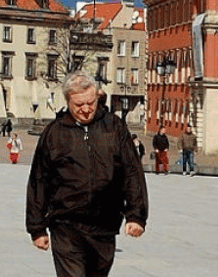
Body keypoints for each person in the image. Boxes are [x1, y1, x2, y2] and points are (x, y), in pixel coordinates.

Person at [27, 72, 147, 277]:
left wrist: (136, 216)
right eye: (78, 105)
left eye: (90, 103)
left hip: (104, 225)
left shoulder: (114, 127)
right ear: (67, 101)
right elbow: (39, 181)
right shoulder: (54, 133)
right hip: (66, 224)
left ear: (97, 97)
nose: (85, 109)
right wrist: (37, 228)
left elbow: (132, 172)